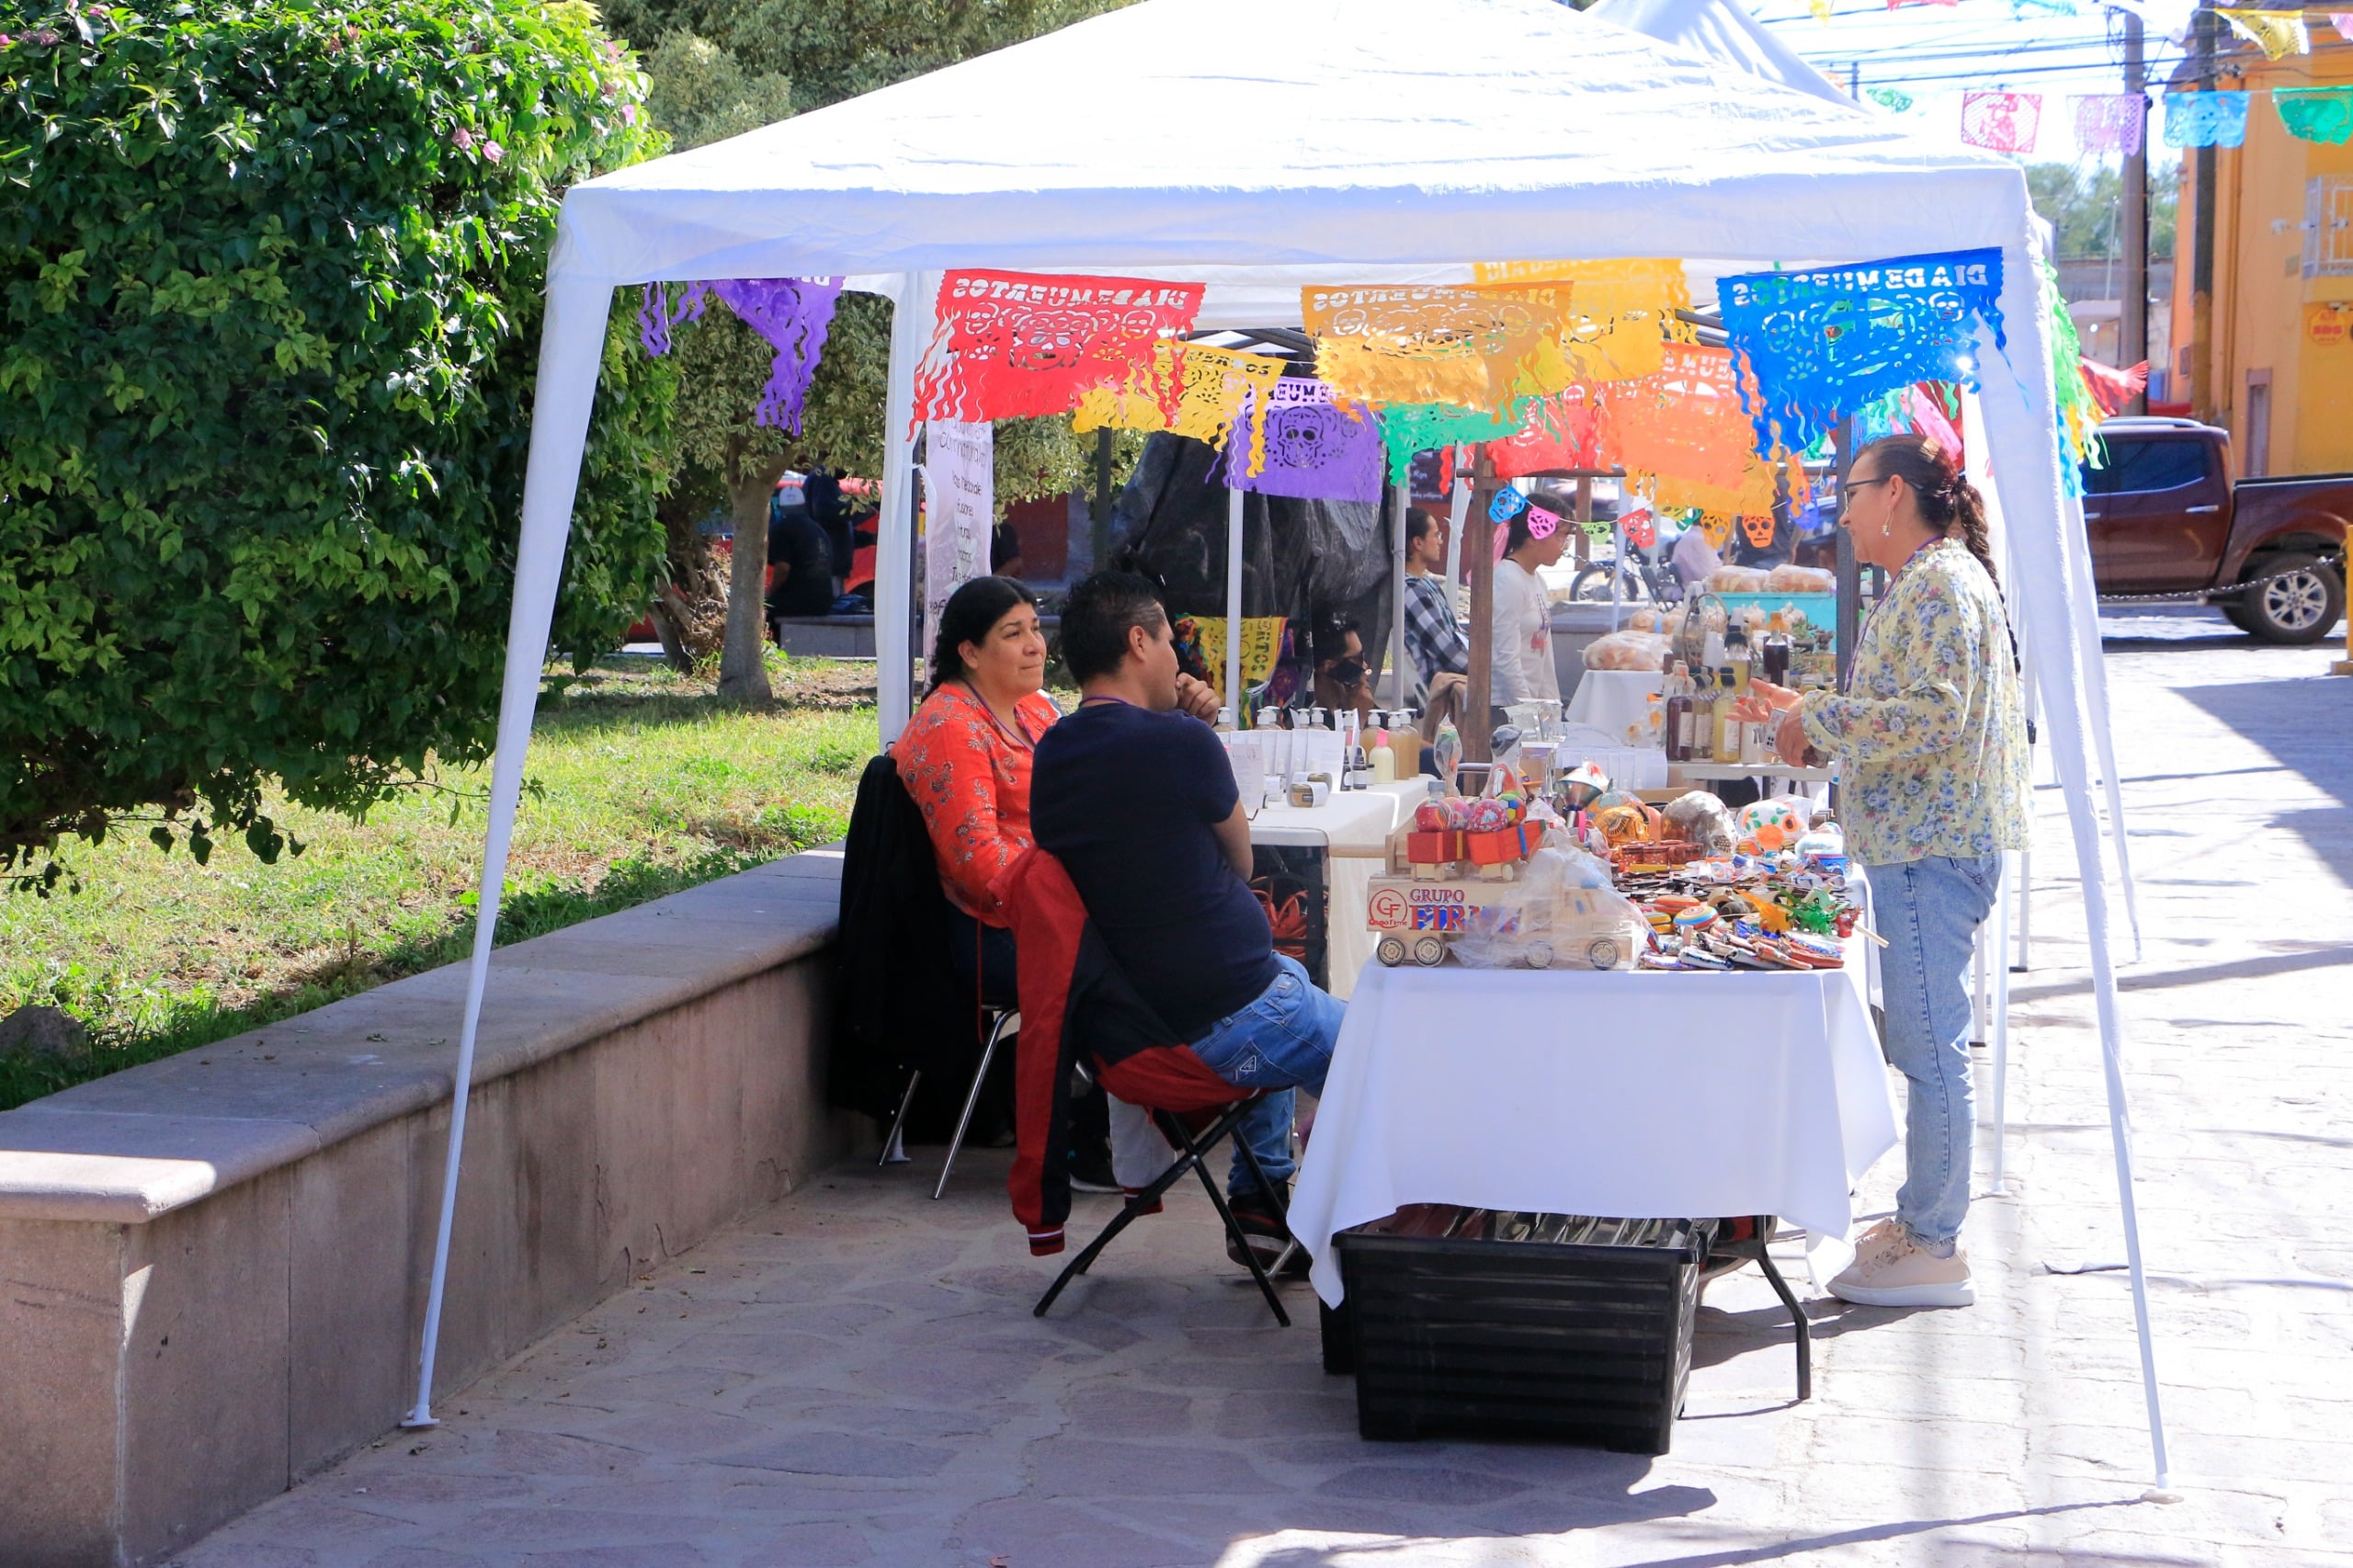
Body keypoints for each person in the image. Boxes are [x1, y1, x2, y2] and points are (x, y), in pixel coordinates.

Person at [1732, 434, 2029, 1310]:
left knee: (1930, 1050)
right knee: (1926, 1044)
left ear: (1893, 493)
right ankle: (1924, 1221)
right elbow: (1920, 708)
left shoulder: (1937, 581)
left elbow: (1933, 715)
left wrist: (1820, 719)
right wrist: (1813, 710)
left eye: (1850, 493)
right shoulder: (1939, 577)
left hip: (1926, 848)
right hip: (1923, 843)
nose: (1843, 513)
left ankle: (1934, 1239)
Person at [1031, 572, 1348, 1267]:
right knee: (1391, 1052)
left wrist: (1187, 730)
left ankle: (1262, 1202)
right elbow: (1239, 862)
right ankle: (1383, 1227)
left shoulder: (1054, 752)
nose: (1181, 658)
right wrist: (1195, 732)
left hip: (1128, 1027)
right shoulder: (1178, 743)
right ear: (1138, 642)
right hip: (1220, 1020)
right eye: (1172, 639)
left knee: (1287, 972)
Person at [1490, 494, 1569, 710]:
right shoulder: (1507, 578)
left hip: (1528, 704)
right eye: (1560, 537)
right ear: (1534, 534)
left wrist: (1551, 705)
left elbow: (1545, 653)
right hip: (1502, 706)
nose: (1565, 546)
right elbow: (1505, 656)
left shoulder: (1537, 580)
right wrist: (1526, 711)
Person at [1402, 507, 1471, 738]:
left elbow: (1454, 635)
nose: (1441, 541)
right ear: (1417, 542)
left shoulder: (1427, 583)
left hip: (1456, 676)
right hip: (1441, 687)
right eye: (1436, 535)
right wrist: (1487, 671)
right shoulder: (1410, 589)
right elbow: (1448, 652)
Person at [766, 488, 835, 626]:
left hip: (797, 602)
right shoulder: (818, 529)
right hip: (824, 602)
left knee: (764, 609)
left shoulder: (781, 529)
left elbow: (783, 568)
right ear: (803, 506)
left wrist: (770, 592)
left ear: (780, 508)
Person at [1309, 614, 1376, 721]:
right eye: (1357, 659)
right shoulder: (1306, 716)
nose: (1364, 665)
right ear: (1329, 665)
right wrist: (1359, 720)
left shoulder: (1360, 702)